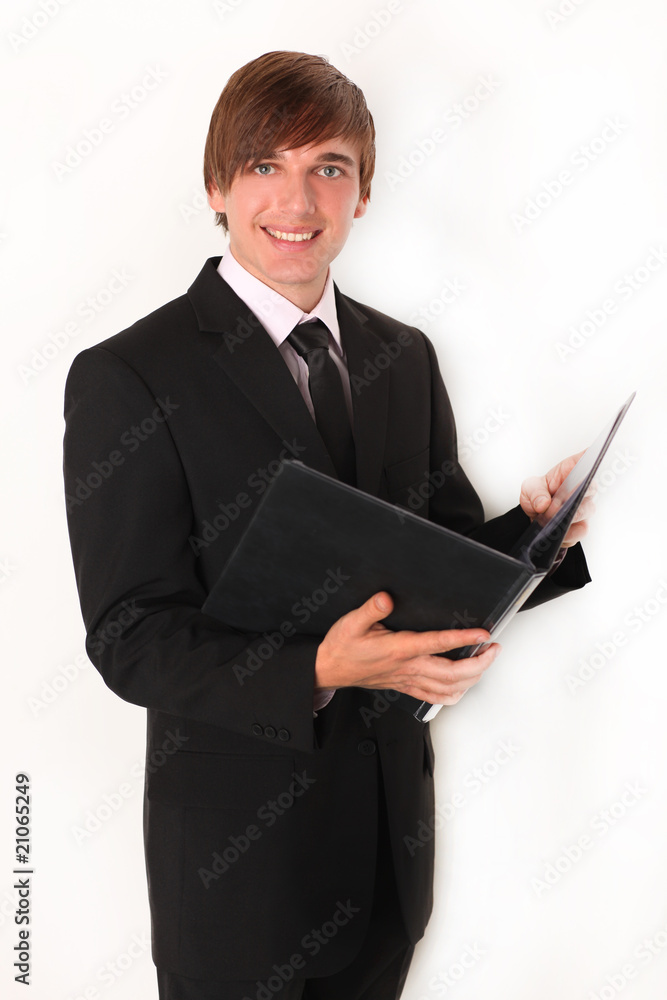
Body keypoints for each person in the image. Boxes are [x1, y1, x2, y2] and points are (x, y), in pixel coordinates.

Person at [63, 50, 593, 1000]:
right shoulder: (131, 375)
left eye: (329, 168)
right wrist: (318, 667)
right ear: (217, 187)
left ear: (363, 193)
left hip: (388, 857)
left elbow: (438, 567)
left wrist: (534, 535)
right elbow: (129, 637)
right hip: (237, 879)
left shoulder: (402, 355)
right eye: (265, 164)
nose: (297, 200)